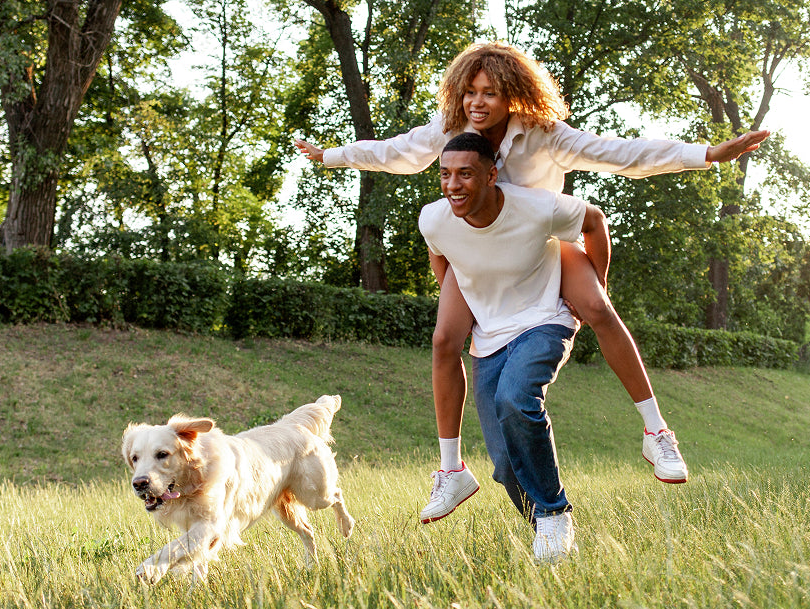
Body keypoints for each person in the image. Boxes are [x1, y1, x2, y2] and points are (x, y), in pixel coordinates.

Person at [294, 42, 768, 524]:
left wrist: (706, 154)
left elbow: (621, 154)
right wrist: (330, 155)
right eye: (470, 92)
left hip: (542, 243)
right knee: (443, 340)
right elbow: (396, 151)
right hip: (480, 247)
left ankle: (656, 433)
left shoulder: (544, 134)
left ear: (514, 96)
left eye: (491, 94)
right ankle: (451, 470)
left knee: (599, 309)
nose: (477, 103)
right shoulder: (450, 130)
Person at [421, 132, 605, 561]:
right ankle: (547, 527)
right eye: (445, 175)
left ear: (492, 174)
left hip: (545, 321)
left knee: (516, 399)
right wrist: (468, 305)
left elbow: (594, 221)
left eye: (465, 174)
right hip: (489, 339)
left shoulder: (533, 207)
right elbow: (442, 259)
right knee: (505, 466)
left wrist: (597, 284)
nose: (453, 185)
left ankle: (556, 513)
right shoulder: (434, 219)